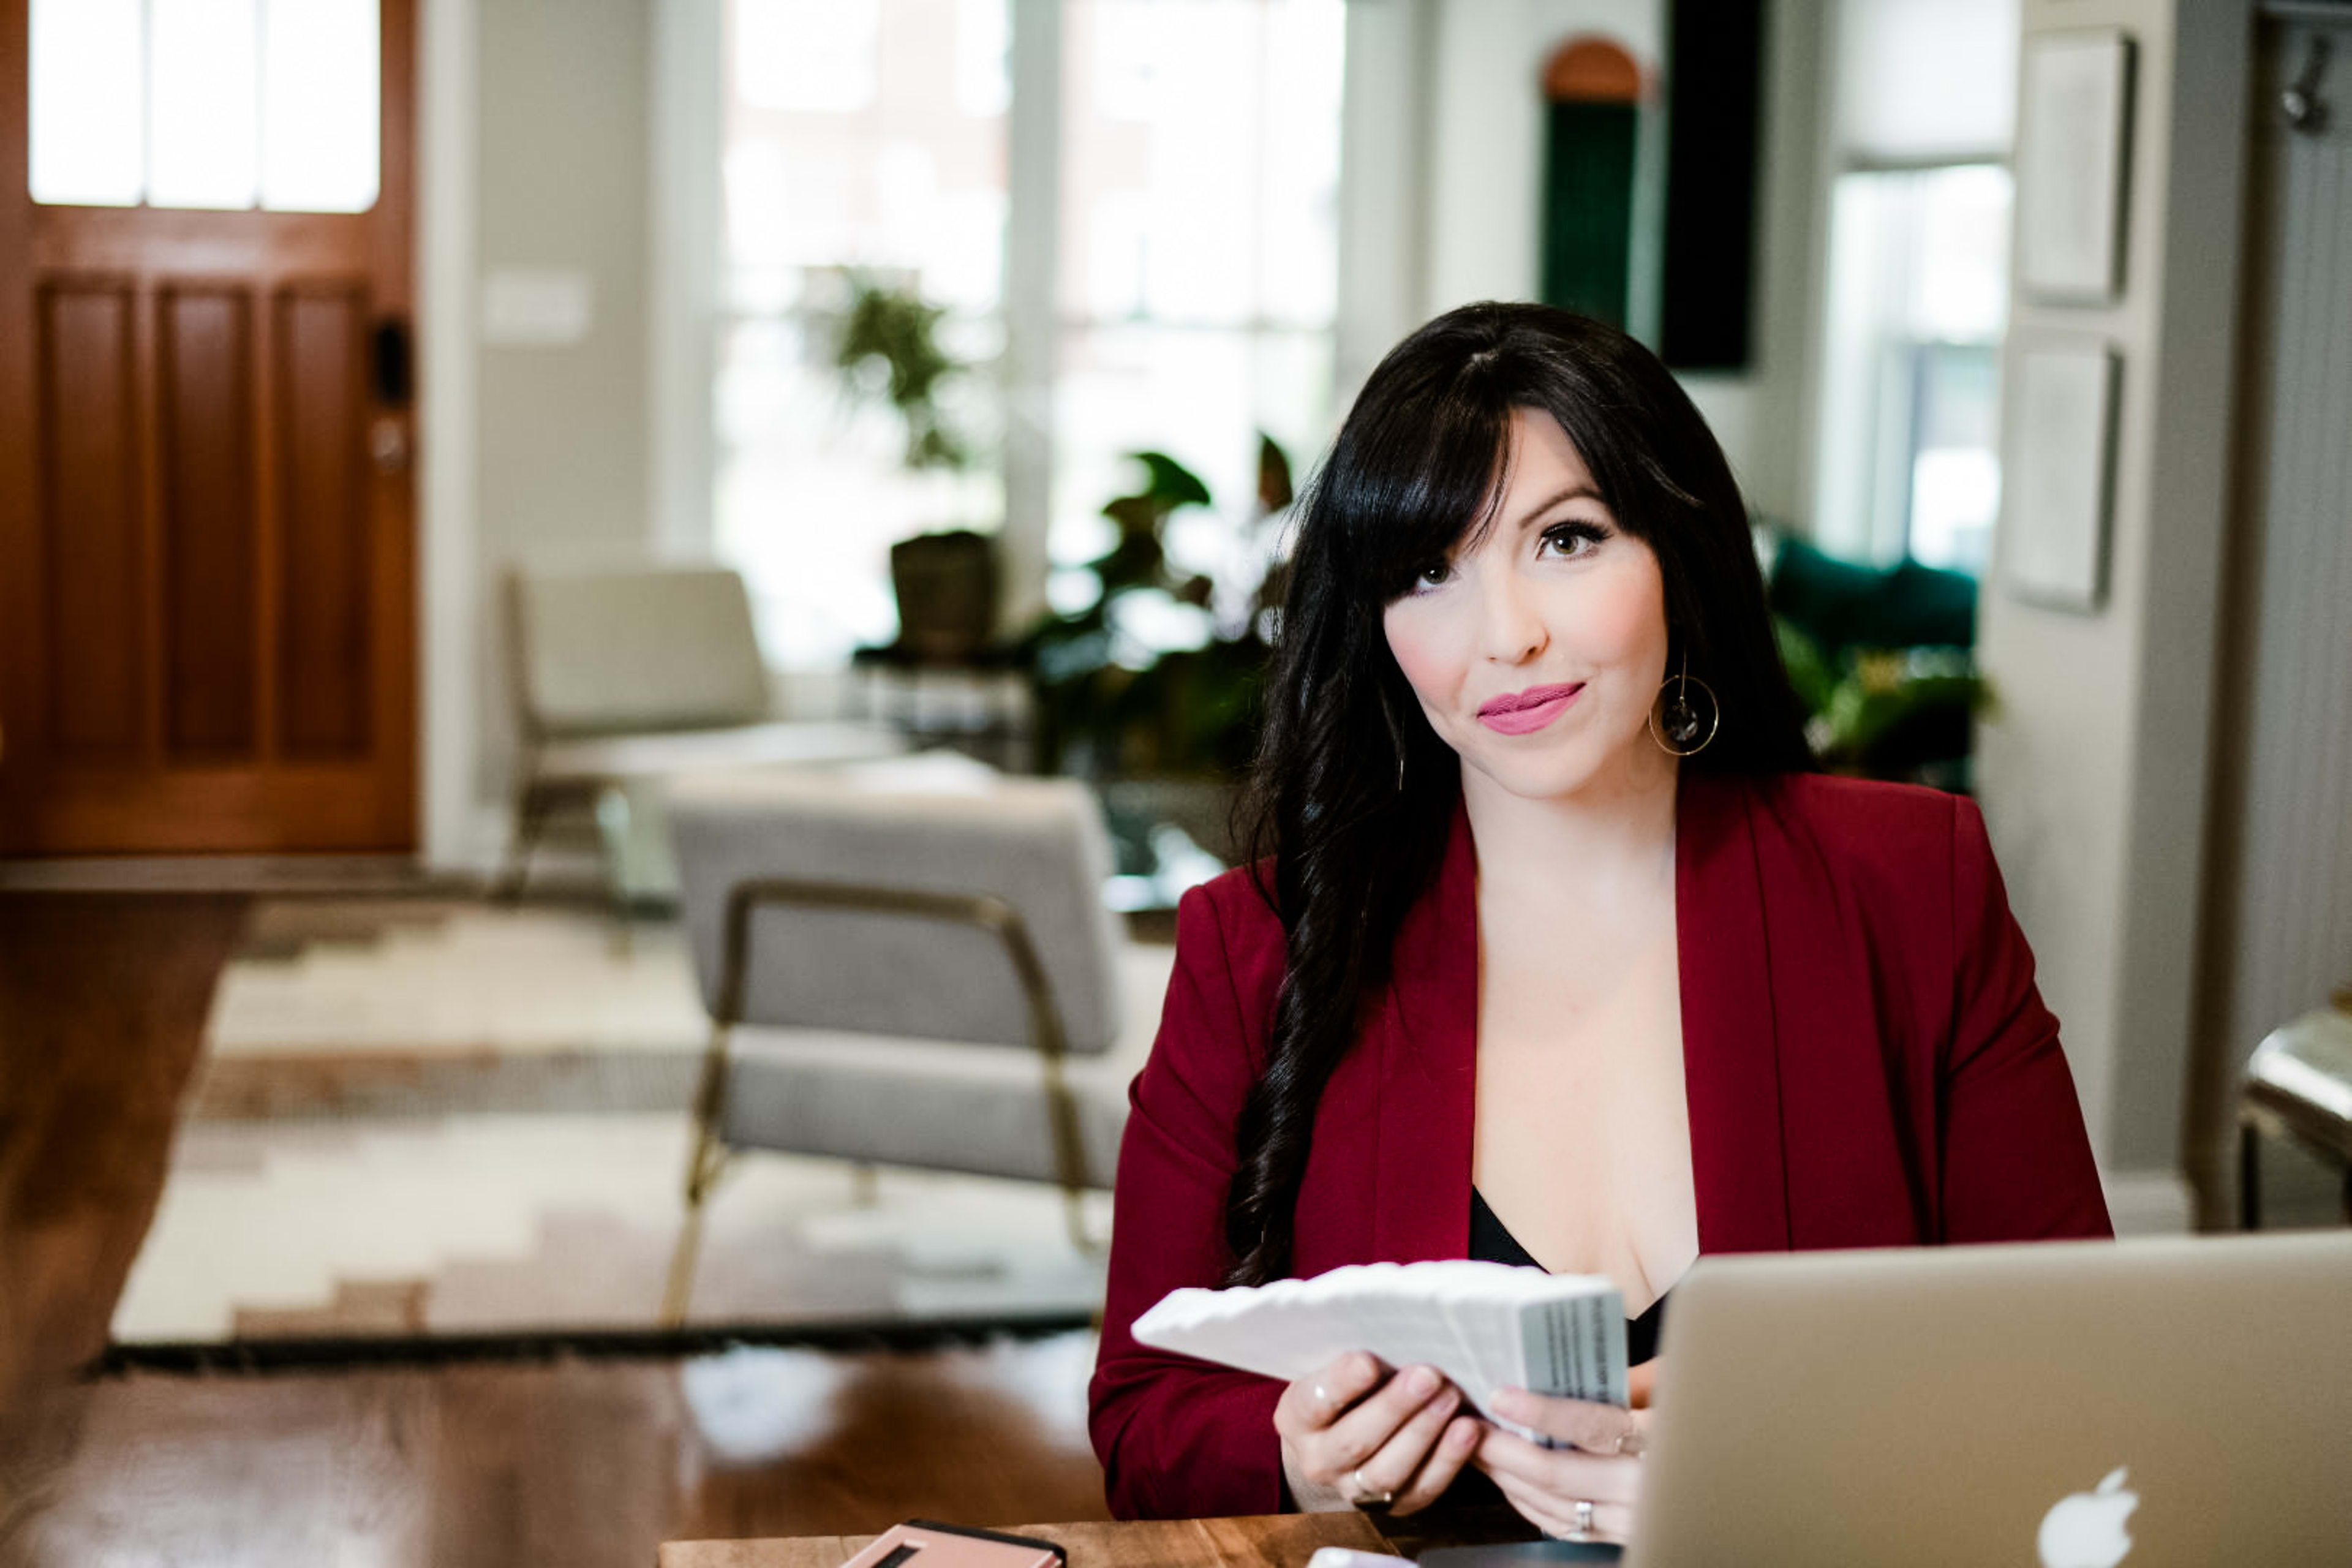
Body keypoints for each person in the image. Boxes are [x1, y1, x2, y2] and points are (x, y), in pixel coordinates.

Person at [1085, 303, 2111, 1539]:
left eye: (1565, 539)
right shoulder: (1251, 943)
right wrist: (1299, 1455)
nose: (1505, 632)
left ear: (1676, 551)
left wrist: (1787, 1454)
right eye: (1427, 570)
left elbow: (2070, 1363)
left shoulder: (1910, 886)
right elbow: (1142, 1418)